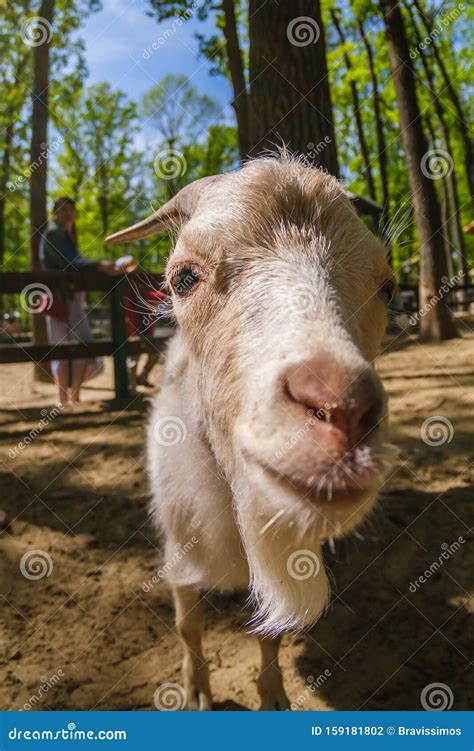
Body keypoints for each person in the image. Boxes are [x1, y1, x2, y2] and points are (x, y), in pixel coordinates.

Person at [40, 197, 121, 405]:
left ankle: (73, 398)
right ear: (55, 213)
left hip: (71, 300)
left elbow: (73, 263)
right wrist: (99, 265)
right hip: (58, 300)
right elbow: (69, 264)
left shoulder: (67, 237)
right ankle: (63, 400)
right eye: (62, 210)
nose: (67, 214)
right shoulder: (53, 234)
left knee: (81, 346)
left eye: (70, 210)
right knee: (61, 347)